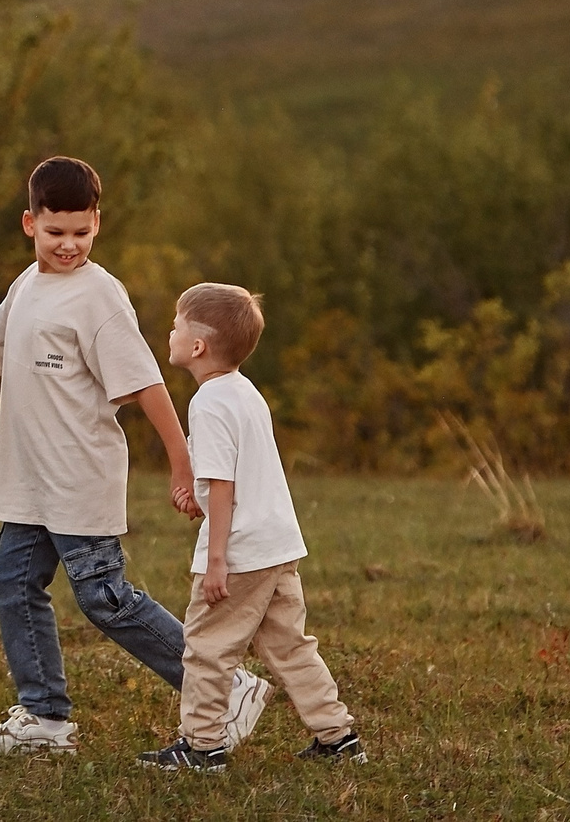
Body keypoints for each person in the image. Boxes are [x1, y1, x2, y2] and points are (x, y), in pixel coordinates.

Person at [0, 156, 264, 756]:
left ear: (97, 223)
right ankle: (45, 719)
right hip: (29, 483)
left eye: (81, 232)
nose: (69, 245)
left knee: (105, 598)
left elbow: (147, 385)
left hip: (79, 478)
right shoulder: (26, 287)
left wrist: (181, 463)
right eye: (55, 232)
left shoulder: (99, 296)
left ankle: (224, 686)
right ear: (30, 224)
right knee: (14, 585)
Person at [137, 281, 366, 772]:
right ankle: (338, 736)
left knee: (205, 650)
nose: (170, 331)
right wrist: (196, 500)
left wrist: (216, 559)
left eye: (176, 324)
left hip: (239, 553)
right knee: (289, 646)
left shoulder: (208, 402)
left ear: (196, 346)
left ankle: (201, 746)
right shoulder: (245, 394)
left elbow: (224, 486)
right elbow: (232, 478)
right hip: (277, 547)